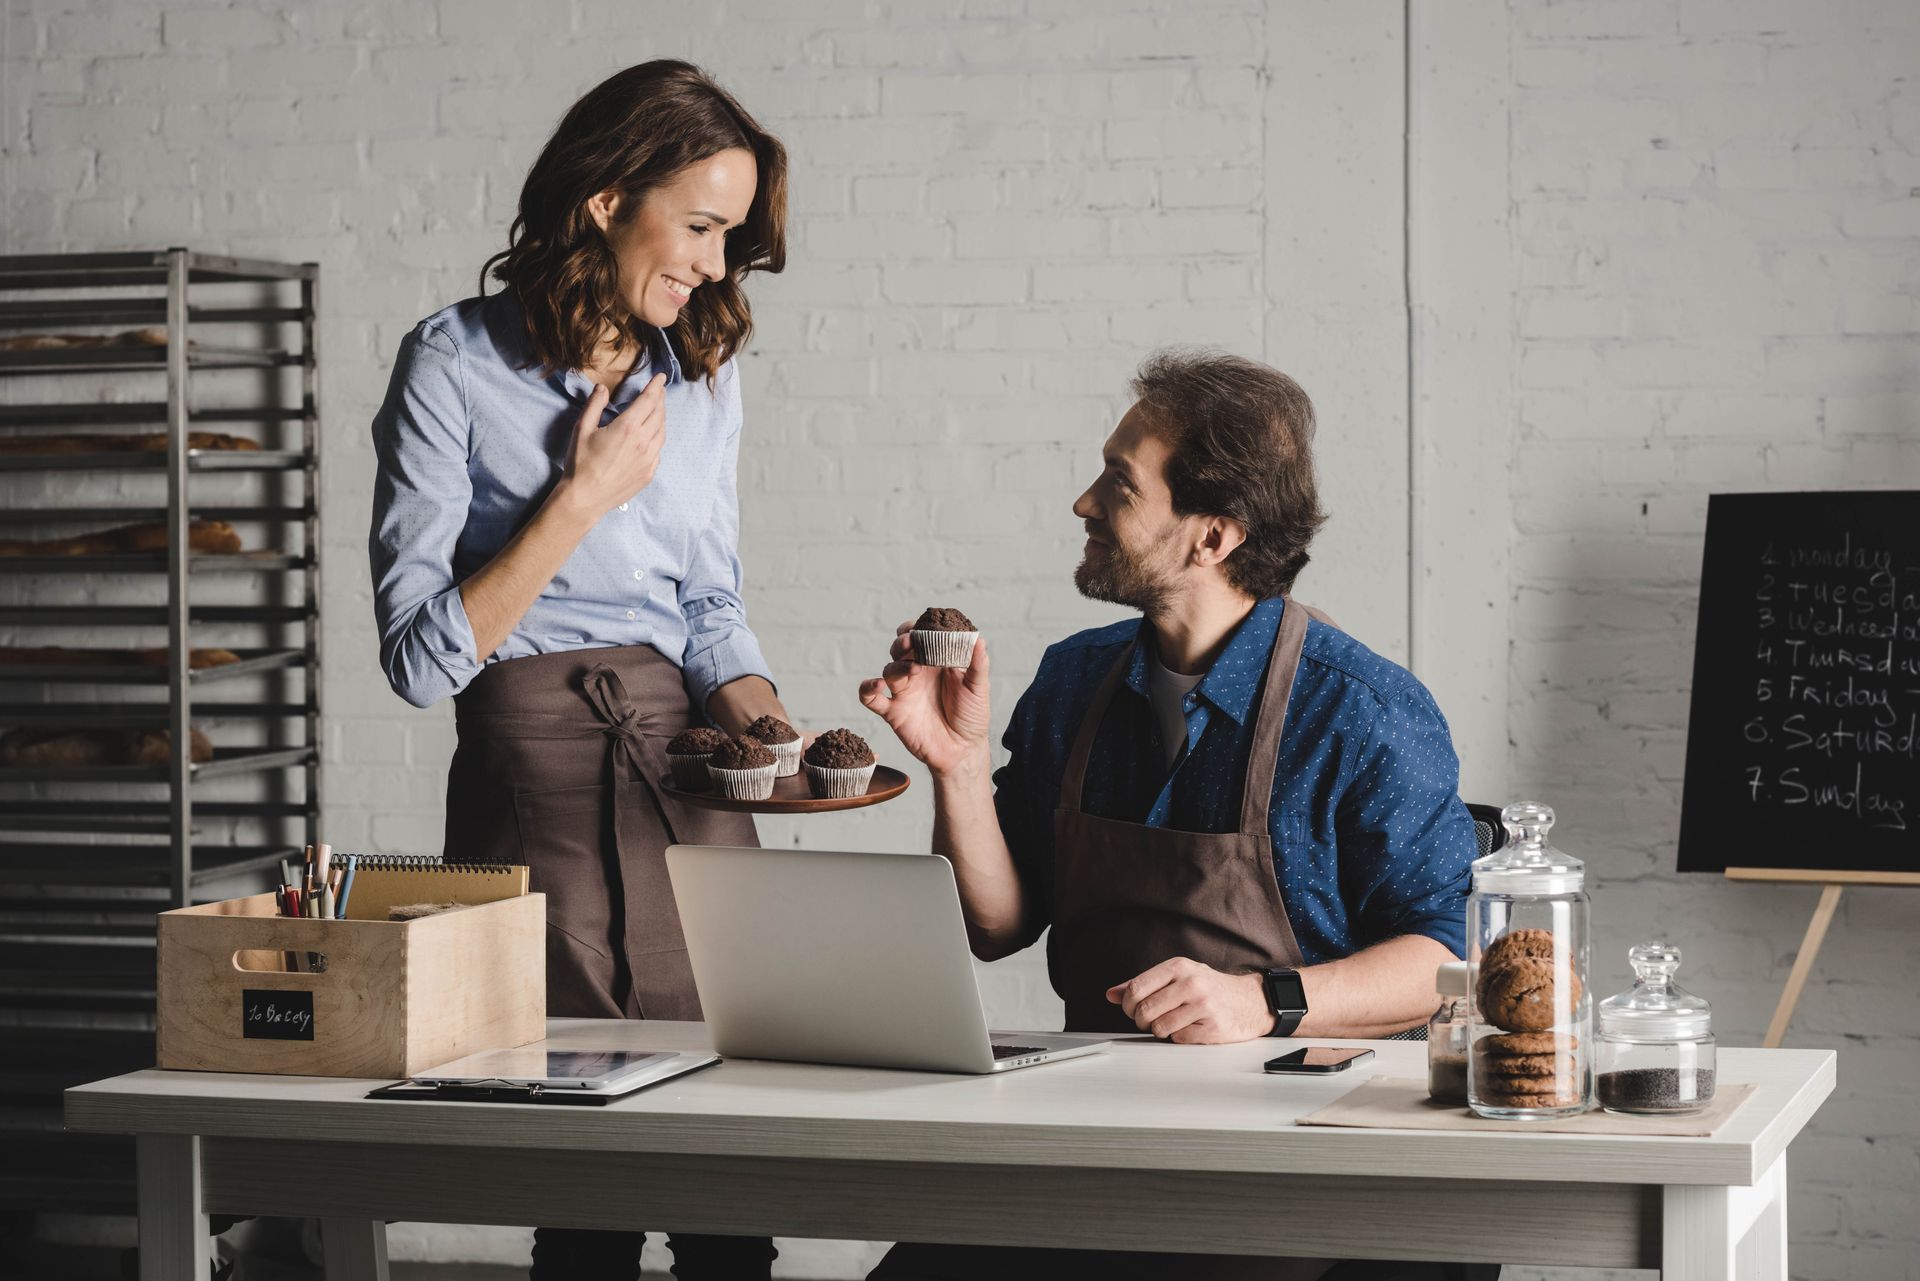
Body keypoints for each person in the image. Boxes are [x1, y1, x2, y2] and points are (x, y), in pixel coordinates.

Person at [859, 350, 1487, 1281]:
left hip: (1300, 1152)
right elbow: (997, 925)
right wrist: (954, 765)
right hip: (1092, 1130)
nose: (1083, 502)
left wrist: (1261, 1000)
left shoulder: (1361, 710)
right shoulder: (1073, 680)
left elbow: (1448, 956)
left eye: (1118, 482)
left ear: (1212, 537)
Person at [370, 60, 790, 1281]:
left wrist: (769, 733)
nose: (717, 266)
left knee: (729, 1154)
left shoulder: (703, 378)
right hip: (528, 770)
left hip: (685, 764)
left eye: (730, 237)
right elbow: (418, 656)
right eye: (703, 227)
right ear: (607, 200)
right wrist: (580, 498)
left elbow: (710, 609)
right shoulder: (450, 362)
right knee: (585, 1169)